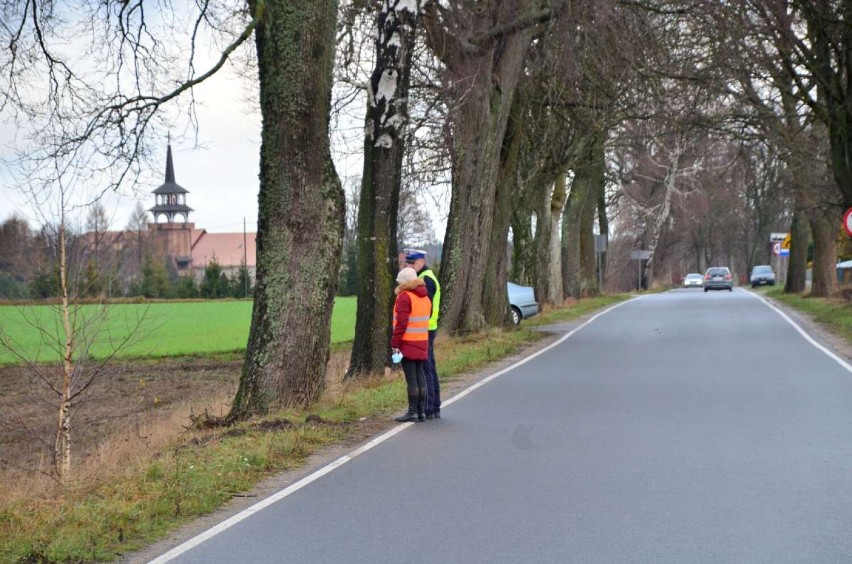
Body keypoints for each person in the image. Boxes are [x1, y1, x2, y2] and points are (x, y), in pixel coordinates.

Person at [404, 249, 442, 419]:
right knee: (429, 367)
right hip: (427, 328)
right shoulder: (427, 277)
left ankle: (428, 407)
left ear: (421, 262)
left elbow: (427, 306)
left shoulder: (425, 280)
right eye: (408, 263)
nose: (410, 266)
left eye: (412, 263)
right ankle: (434, 407)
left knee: (425, 368)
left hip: (425, 329)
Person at [391, 266, 431, 422]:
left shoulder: (405, 297)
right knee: (420, 376)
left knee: (411, 379)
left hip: (408, 342)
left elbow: (401, 323)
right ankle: (421, 412)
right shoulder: (425, 298)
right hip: (422, 340)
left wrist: (395, 342)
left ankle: (412, 411)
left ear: (404, 282)